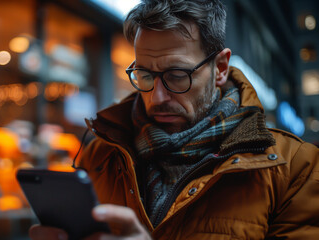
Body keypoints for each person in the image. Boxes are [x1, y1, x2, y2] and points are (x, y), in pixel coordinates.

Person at [29, 0, 319, 239]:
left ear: (220, 68)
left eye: (177, 76)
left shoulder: (295, 168)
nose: (157, 98)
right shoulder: (100, 154)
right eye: (144, 75)